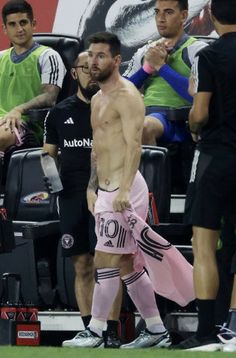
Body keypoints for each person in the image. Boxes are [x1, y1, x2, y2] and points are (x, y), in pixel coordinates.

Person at [63, 31, 195, 349]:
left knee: (104, 257)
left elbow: (135, 145)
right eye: (91, 55)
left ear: (117, 60)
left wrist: (122, 190)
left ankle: (95, 330)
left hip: (126, 190)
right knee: (125, 264)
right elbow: (98, 148)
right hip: (105, 189)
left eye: (101, 56)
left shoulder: (129, 96)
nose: (93, 62)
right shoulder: (96, 99)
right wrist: (93, 188)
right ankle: (155, 328)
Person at [43, 50, 123, 348]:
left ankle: (111, 331)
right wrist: (56, 191)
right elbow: (47, 156)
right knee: (82, 265)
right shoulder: (60, 112)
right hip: (73, 197)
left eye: (96, 65)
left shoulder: (114, 106)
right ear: (74, 73)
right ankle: (91, 330)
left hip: (110, 194)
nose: (92, 71)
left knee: (110, 264)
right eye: (85, 67)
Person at [172, 0, 236, 351]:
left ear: (211, 16)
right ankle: (235, 329)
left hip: (216, 156)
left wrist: (196, 129)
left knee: (204, 242)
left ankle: (208, 331)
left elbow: (198, 113)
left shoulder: (208, 55)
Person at [124, 0, 207, 145]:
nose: (160, 19)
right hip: (150, 118)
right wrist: (147, 69)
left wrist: (161, 67)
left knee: (143, 127)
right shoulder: (145, 52)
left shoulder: (198, 50)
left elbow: (202, 96)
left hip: (180, 123)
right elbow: (120, 92)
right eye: (157, 12)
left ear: (183, 15)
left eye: (168, 12)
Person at [0, 0, 66, 183]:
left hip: (29, 125)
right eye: (12, 24)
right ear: (5, 29)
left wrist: (19, 109)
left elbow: (50, 96)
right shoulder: (0, 58)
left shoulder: (48, 56)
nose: (19, 29)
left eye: (23, 22)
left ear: (33, 24)